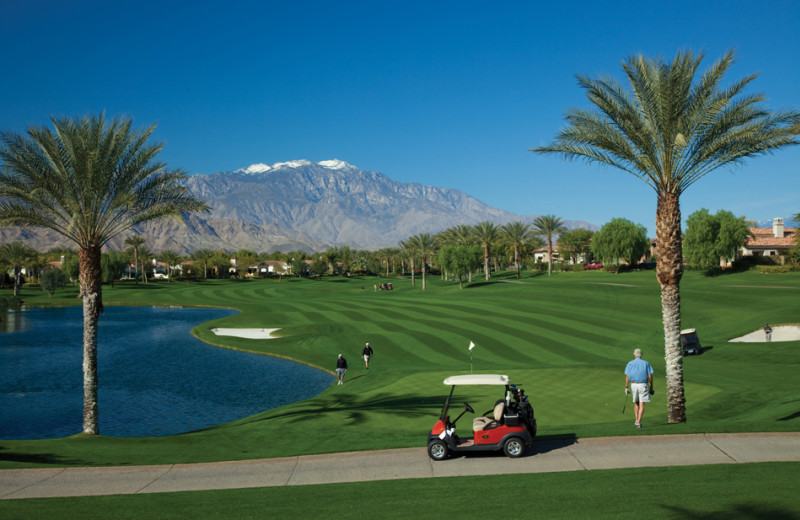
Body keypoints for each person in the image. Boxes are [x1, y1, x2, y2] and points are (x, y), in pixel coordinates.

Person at [624, 348, 654, 428]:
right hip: (643, 385)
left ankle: (636, 420)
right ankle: (638, 422)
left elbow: (627, 376)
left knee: (636, 403)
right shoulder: (646, 363)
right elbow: (650, 376)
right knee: (642, 403)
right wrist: (651, 387)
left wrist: (626, 387)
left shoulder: (630, 363)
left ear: (634, 355)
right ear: (641, 355)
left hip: (633, 385)